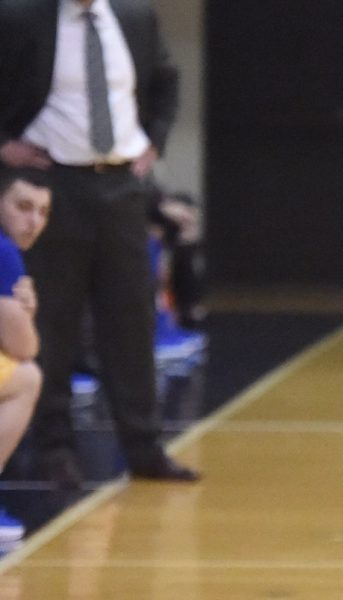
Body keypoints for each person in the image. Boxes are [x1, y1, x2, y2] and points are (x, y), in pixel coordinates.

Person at [0, 0, 198, 484]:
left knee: (132, 316)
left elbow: (165, 81)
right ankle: (54, 448)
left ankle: (144, 446)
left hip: (121, 185)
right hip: (51, 182)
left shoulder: (134, 17)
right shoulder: (22, 16)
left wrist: (154, 140)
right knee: (53, 318)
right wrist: (4, 143)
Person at [0, 168, 52, 545]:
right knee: (26, 376)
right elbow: (24, 347)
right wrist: (26, 316)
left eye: (44, 212)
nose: (33, 221)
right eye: (22, 207)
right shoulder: (4, 251)